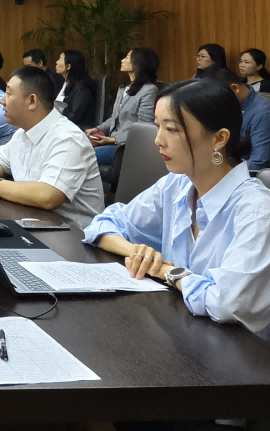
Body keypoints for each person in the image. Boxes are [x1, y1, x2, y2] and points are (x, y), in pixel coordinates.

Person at [83, 79, 270, 337]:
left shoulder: (257, 211)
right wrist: (138, 253)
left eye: (171, 129)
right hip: (183, 333)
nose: (158, 140)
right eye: (158, 126)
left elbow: (227, 303)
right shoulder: (176, 185)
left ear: (219, 138)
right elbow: (103, 223)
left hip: (240, 352)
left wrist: (166, 271)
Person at [0, 66, 103, 229]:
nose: (1, 100)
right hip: (33, 222)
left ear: (32, 101)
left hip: (73, 235)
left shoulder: (68, 138)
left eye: (9, 94)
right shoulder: (22, 133)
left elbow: (48, 196)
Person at [85, 47, 159, 167]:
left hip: (126, 146)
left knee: (85, 157)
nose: (122, 60)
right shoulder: (122, 88)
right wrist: (97, 128)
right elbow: (114, 118)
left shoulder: (149, 90)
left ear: (139, 63)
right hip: (113, 142)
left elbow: (143, 127)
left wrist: (113, 140)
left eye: (127, 58)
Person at [213, 69, 270, 173]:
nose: (219, 104)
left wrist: (224, 174)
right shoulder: (231, 104)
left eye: (221, 99)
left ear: (235, 88)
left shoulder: (262, 113)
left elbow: (259, 163)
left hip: (243, 174)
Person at [54, 49, 98, 128]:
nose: (56, 62)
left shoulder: (82, 88)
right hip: (61, 125)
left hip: (75, 129)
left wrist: (61, 109)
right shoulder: (64, 83)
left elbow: (74, 117)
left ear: (68, 66)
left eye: (60, 59)